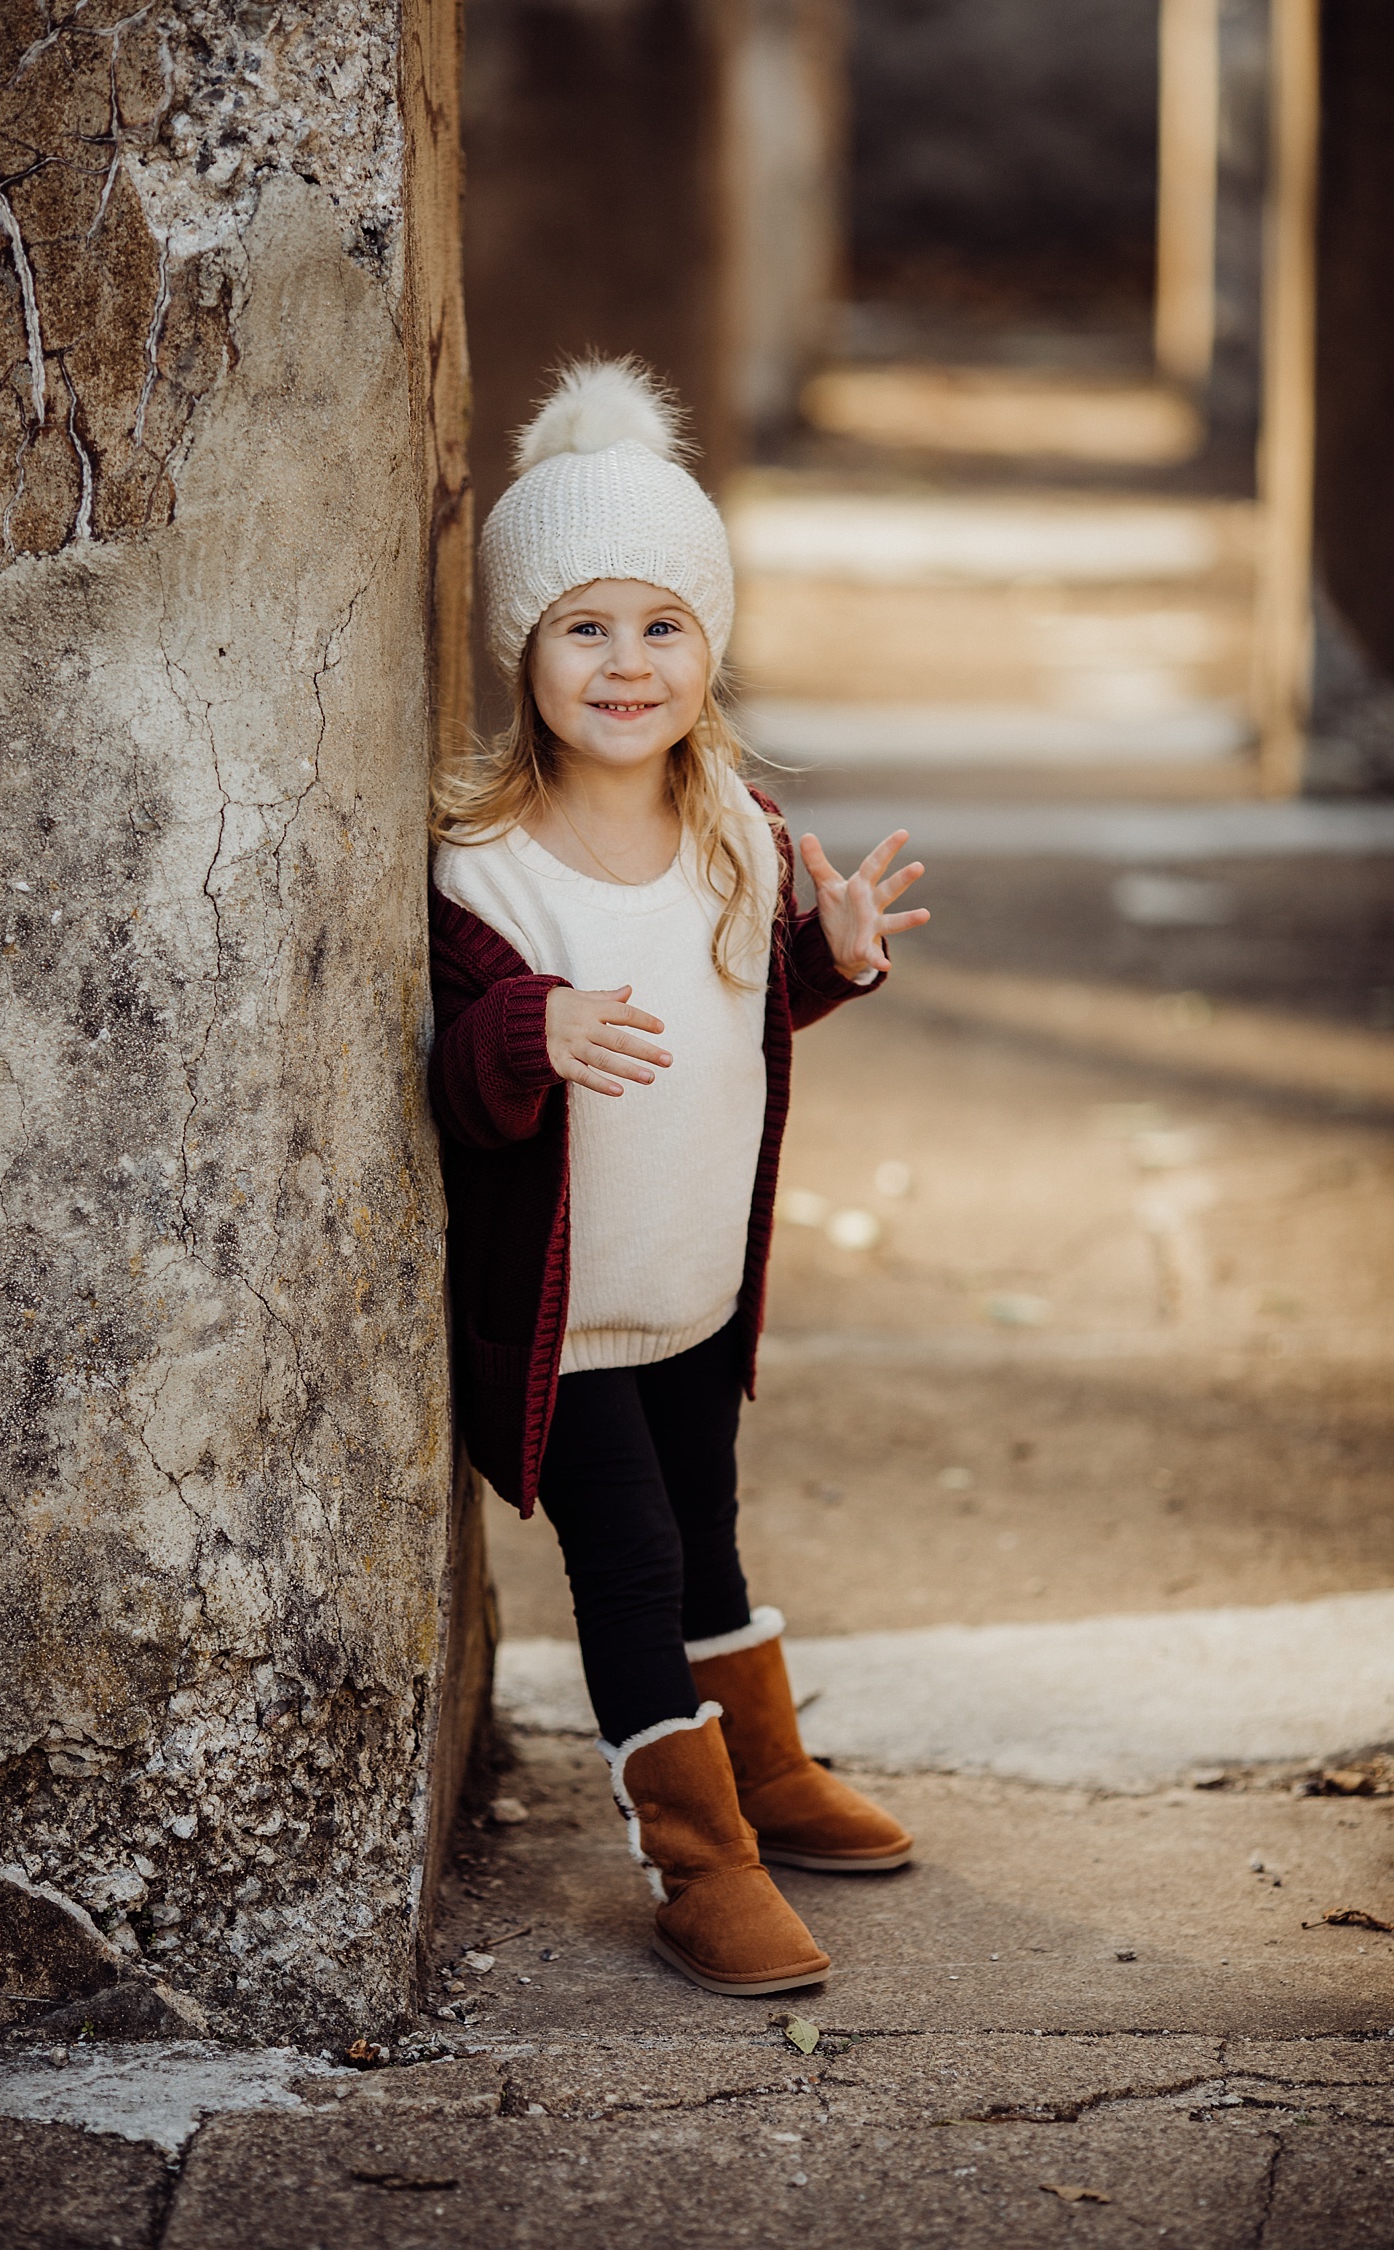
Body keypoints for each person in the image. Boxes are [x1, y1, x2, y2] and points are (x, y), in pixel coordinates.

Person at [428, 360, 929, 1997]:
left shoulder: (739, 829)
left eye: (663, 625)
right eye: (585, 625)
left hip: (694, 1280)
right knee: (630, 1558)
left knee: (708, 1529)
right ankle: (695, 1853)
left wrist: (830, 957)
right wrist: (530, 1028)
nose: (626, 663)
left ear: (711, 648)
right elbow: (447, 1077)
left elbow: (740, 1011)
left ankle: (765, 1773)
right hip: (567, 1311)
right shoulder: (479, 869)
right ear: (525, 649)